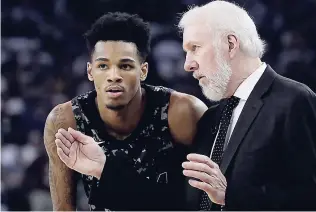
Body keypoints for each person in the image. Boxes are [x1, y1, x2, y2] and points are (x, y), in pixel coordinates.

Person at [178, 1, 316, 210]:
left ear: (231, 44)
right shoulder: (212, 118)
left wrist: (230, 195)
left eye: (195, 48)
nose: (187, 64)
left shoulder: (296, 101)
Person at [43, 12, 207, 211]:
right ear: (90, 72)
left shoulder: (182, 113)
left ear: (143, 71)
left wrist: (104, 170)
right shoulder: (66, 121)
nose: (114, 76)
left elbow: (205, 201)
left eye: (125, 66)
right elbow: (63, 209)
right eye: (103, 66)